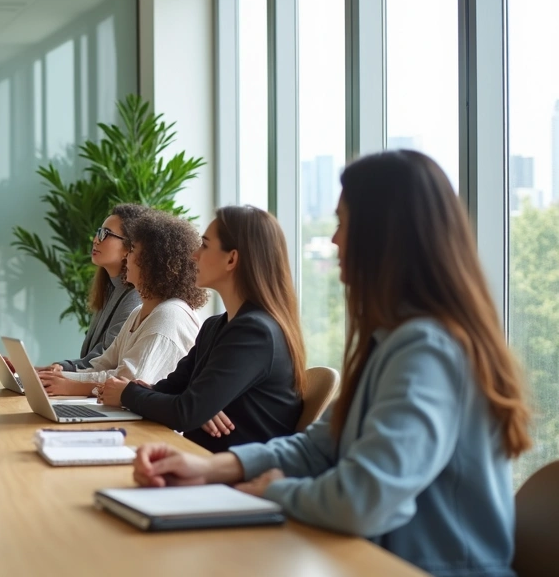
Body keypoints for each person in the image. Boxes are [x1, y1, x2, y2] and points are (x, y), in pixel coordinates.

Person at [129, 151, 531, 577]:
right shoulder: (392, 340)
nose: (335, 240)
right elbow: (318, 445)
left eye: (342, 223)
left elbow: (364, 498)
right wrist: (210, 468)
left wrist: (274, 491)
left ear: (384, 236)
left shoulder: (428, 349)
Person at [100, 205, 305, 453]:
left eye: (205, 245)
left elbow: (185, 412)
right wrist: (189, 404)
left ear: (231, 259)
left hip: (233, 470)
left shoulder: (255, 333)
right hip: (200, 459)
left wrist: (128, 394)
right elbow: (171, 390)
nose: (194, 255)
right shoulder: (215, 326)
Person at [37, 209, 206, 396]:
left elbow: (128, 381)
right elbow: (102, 364)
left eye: (132, 250)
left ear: (153, 262)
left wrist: (71, 385)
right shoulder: (138, 313)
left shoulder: (169, 316)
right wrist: (55, 378)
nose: (127, 257)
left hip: (148, 416)